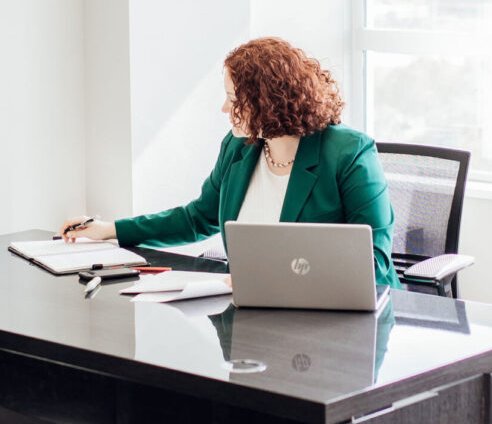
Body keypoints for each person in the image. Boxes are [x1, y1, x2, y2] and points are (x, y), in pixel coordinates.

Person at [58, 37, 400, 288]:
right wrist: (110, 231)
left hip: (343, 323)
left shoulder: (349, 153)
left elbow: (374, 262)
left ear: (270, 102)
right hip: (255, 313)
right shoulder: (239, 149)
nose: (225, 108)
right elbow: (197, 218)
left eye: (234, 99)